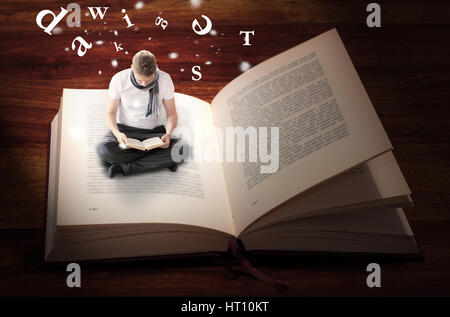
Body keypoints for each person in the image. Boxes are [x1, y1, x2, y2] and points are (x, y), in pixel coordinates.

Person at [96, 50, 181, 177]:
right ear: (132, 68)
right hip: (125, 132)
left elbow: (171, 113)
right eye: (140, 79)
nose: (144, 84)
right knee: (103, 149)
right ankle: (156, 159)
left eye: (149, 80)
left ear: (156, 69)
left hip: (154, 133)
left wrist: (168, 133)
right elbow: (110, 113)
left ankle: (125, 167)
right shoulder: (119, 79)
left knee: (182, 149)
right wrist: (117, 134)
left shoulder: (165, 79)